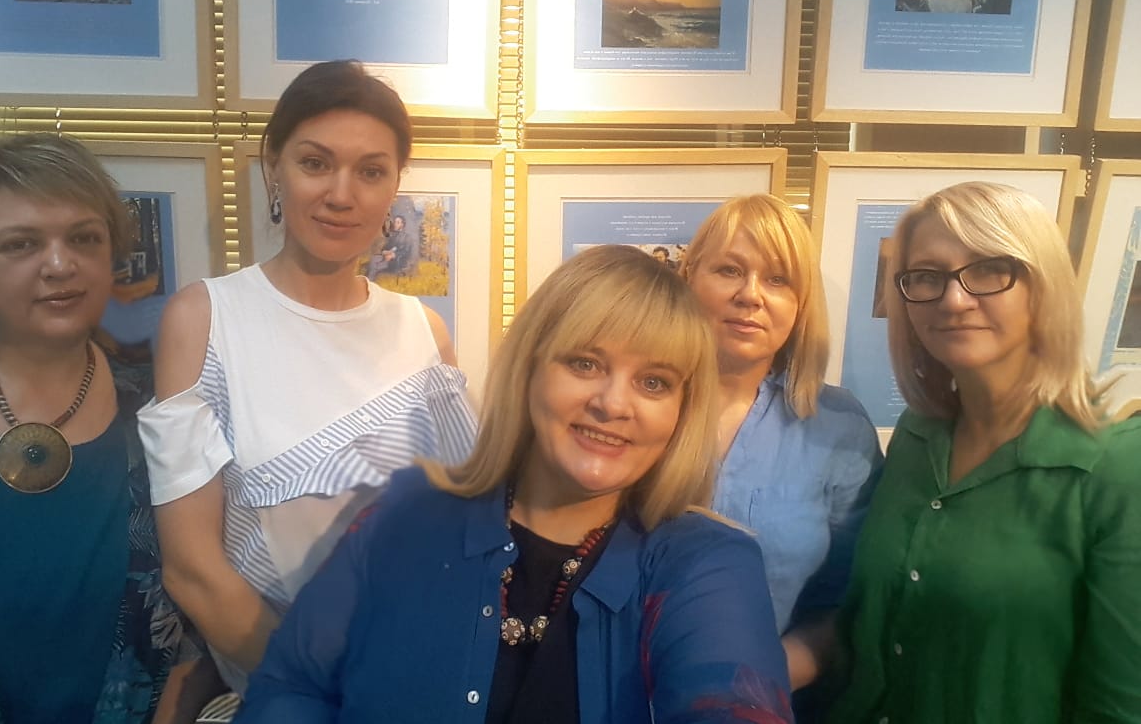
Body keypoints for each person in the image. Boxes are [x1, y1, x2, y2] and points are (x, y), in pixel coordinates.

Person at [237, 244, 794, 723]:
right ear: (529, 370)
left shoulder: (705, 565)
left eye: (654, 382)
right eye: (585, 364)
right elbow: (292, 686)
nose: (613, 404)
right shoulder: (403, 518)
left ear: (681, 410)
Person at [139, 60, 477, 695]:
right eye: (316, 163)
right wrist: (333, 693)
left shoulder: (425, 331)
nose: (342, 195)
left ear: (394, 185)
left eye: (371, 171)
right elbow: (193, 572)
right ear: (274, 166)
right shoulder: (205, 320)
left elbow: (468, 534)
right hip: (292, 691)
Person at [0, 133, 214, 723]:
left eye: (84, 238)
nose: (60, 264)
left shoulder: (165, 409)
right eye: (21, 243)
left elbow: (196, 614)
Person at [829, 182, 1141, 723]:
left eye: (990, 269)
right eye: (927, 276)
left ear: (1042, 288)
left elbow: (1119, 708)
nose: (954, 299)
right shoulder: (917, 433)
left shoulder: (1117, 465)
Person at [681, 194, 882, 717]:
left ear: (800, 304)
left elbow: (852, 599)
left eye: (777, 279)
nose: (751, 295)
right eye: (729, 270)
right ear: (689, 277)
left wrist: (760, 678)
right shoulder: (633, 410)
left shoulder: (838, 427)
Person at [365, 214, 416, 281]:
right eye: (395, 222)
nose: (395, 224)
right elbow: (385, 247)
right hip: (386, 256)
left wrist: (393, 255)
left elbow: (406, 252)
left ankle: (369, 281)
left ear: (402, 225)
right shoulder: (393, 236)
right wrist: (384, 251)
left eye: (398, 222)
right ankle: (368, 280)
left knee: (374, 267)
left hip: (397, 261)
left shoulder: (407, 237)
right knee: (374, 258)